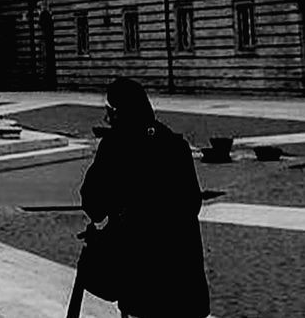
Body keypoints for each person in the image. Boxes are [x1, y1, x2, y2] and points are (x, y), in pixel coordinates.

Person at [79, 77, 210, 318]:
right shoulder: (174, 144)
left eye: (109, 112)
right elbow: (192, 203)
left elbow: (92, 201)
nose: (107, 118)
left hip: (142, 275)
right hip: (183, 274)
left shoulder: (115, 146)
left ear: (118, 113)